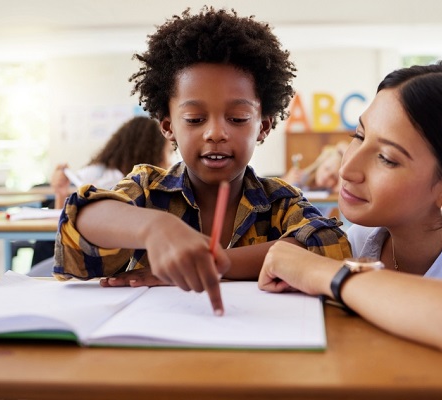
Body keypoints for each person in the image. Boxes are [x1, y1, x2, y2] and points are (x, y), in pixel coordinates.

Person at [258, 61, 442, 399]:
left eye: (387, 158)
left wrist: (332, 276)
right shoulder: (356, 242)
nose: (348, 169)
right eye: (359, 136)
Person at [53, 7, 351, 315]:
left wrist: (216, 263)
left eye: (238, 118)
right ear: (168, 126)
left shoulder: (279, 202)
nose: (216, 133)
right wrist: (154, 228)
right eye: (194, 119)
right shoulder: (148, 191)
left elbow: (331, 246)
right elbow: (78, 229)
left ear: (262, 126)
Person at [27, 116, 173, 274]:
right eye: (169, 152)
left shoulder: (101, 173)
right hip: (92, 259)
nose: (170, 161)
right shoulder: (116, 181)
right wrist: (61, 194)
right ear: (153, 152)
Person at [282, 142, 347, 194]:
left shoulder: (329, 191)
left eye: (333, 177)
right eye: (326, 169)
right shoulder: (300, 177)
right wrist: (286, 182)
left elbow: (339, 189)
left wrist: (345, 160)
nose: (326, 176)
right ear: (320, 164)